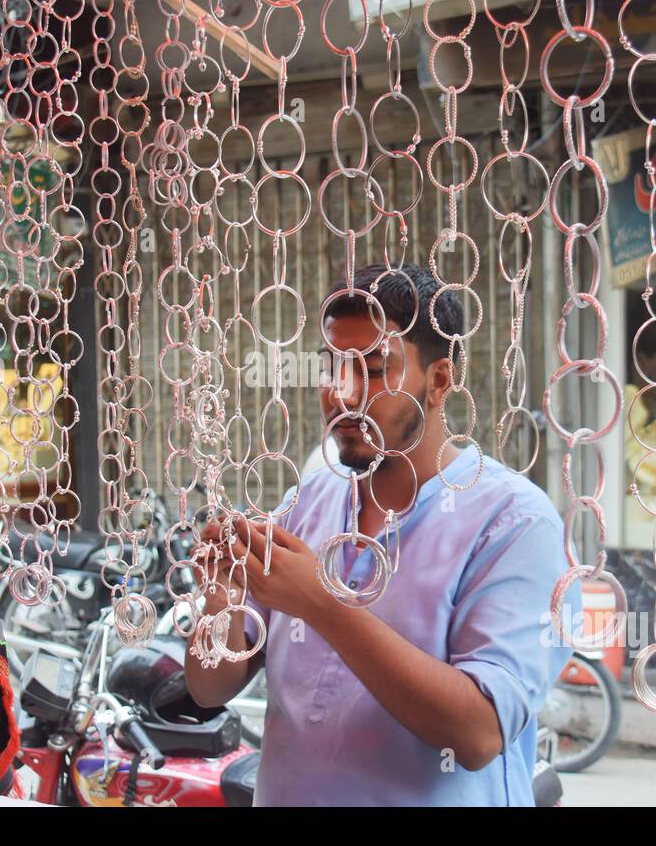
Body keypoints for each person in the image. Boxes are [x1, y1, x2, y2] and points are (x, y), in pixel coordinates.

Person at [186, 264, 580, 806]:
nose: (342, 394)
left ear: (439, 381)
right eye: (330, 369)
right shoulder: (310, 499)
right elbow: (211, 688)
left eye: (372, 370)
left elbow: (479, 732)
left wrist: (321, 603)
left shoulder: (515, 524)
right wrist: (220, 599)